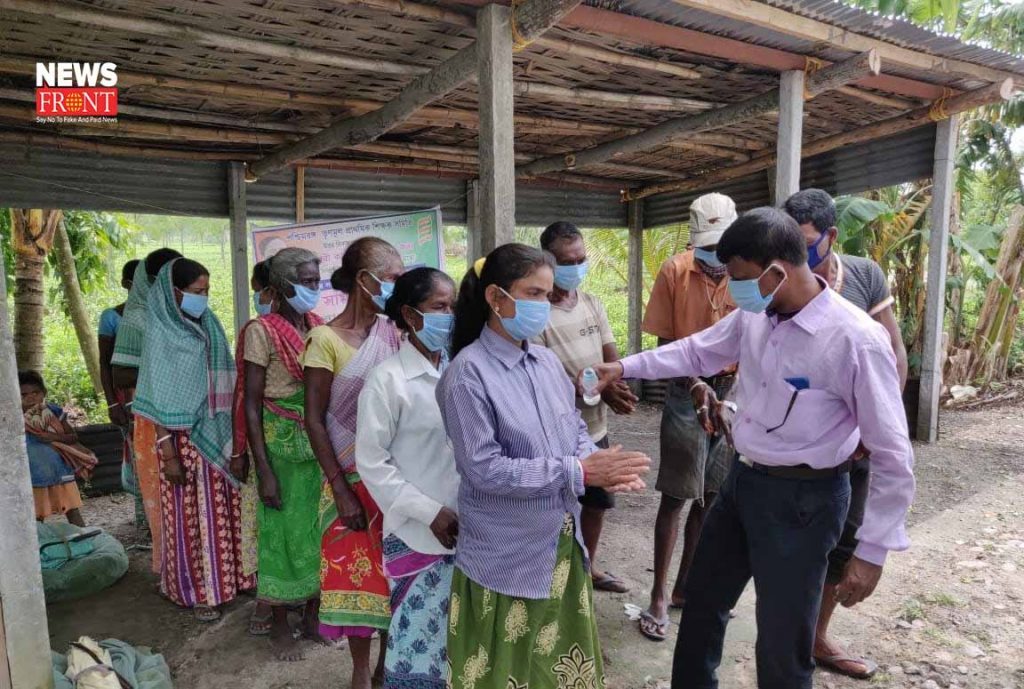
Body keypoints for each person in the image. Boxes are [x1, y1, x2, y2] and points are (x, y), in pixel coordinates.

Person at [591, 207, 916, 689]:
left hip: (806, 501)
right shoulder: (757, 316)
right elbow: (697, 350)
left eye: (740, 278)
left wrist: (872, 550)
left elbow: (893, 454)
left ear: (777, 272)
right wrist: (625, 368)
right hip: (744, 483)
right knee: (703, 605)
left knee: (783, 639)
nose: (734, 290)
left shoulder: (855, 340)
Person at [437, 244, 651, 689]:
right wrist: (579, 473)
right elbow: (483, 469)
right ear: (497, 298)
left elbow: (571, 426)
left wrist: (595, 460)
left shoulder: (547, 362)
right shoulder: (467, 373)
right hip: (506, 554)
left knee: (554, 667)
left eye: (547, 296)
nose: (543, 306)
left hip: (558, 542)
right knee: (504, 670)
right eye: (532, 294)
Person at [784, 188, 909, 680]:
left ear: (831, 237)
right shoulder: (783, 280)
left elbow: (892, 351)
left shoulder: (862, 275)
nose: (795, 254)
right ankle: (787, 641)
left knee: (844, 539)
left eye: (807, 242)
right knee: (795, 543)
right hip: (798, 444)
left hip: (854, 444)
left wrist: (872, 425)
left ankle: (816, 636)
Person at [636, 193, 738, 641]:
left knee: (711, 495)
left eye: (722, 246)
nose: (714, 256)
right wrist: (696, 384)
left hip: (732, 392)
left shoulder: (748, 275)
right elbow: (665, 345)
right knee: (676, 495)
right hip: (684, 390)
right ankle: (658, 594)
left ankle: (685, 589)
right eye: (707, 246)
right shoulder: (675, 271)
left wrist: (729, 397)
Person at [303, 237, 404, 689]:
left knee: (394, 577)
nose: (398, 287)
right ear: (366, 281)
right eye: (394, 278)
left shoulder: (396, 332)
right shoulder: (323, 339)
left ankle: (387, 665)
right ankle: (361, 671)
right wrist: (341, 490)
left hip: (396, 479)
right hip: (349, 480)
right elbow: (314, 419)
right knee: (357, 580)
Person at [356, 267, 460, 689]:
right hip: (418, 534)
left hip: (468, 531)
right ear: (410, 315)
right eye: (439, 307)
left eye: (453, 307)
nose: (449, 316)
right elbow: (372, 462)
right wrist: (429, 511)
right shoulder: (388, 381)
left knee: (459, 644)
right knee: (418, 644)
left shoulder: (459, 371)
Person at [133, 257, 253, 621]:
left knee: (224, 515)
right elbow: (157, 401)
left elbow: (228, 384)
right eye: (198, 292)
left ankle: (230, 583)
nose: (204, 298)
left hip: (217, 434)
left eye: (207, 291)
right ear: (174, 292)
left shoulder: (210, 325)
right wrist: (168, 457)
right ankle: (199, 592)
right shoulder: (160, 335)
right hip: (183, 446)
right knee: (192, 521)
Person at [534, 221, 638, 594]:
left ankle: (587, 569)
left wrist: (613, 385)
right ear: (548, 260)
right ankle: (554, 577)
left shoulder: (591, 302)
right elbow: (541, 379)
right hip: (557, 432)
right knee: (560, 508)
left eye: (581, 259)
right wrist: (598, 390)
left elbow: (610, 357)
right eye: (567, 261)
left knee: (597, 503)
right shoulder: (537, 315)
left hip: (596, 427)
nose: (576, 267)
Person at [236, 250, 326, 659]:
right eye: (308, 281)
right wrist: (263, 469)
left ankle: (311, 616)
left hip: (315, 441)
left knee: (317, 531)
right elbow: (251, 403)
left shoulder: (319, 328)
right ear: (285, 286)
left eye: (316, 280)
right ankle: (278, 625)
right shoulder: (262, 331)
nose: (315, 288)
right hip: (278, 441)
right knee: (279, 534)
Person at [111, 247, 182, 572]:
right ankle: (170, 566)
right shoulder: (137, 317)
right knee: (163, 492)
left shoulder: (181, 312)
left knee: (186, 496)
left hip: (186, 414)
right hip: (154, 417)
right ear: (151, 280)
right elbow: (121, 373)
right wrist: (163, 369)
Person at [231, 259, 276, 638]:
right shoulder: (255, 331)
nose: (257, 297)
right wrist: (241, 448)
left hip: (307, 443)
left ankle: (307, 600)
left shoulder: (314, 326)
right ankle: (267, 599)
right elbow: (246, 394)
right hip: (266, 438)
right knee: (262, 522)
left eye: (258, 289)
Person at [98, 259, 143, 530]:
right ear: (126, 285)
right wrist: (112, 402)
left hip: (152, 390)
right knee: (137, 451)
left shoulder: (159, 316)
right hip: (127, 393)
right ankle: (144, 517)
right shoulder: (112, 317)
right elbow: (105, 363)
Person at [20, 370, 96, 526]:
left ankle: (84, 539)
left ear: (44, 392)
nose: (31, 397)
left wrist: (52, 437)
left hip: (59, 471)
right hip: (33, 475)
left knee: (72, 510)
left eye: (36, 392)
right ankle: (40, 547)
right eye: (24, 395)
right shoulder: (14, 417)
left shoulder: (53, 412)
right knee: (36, 516)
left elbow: (72, 436)